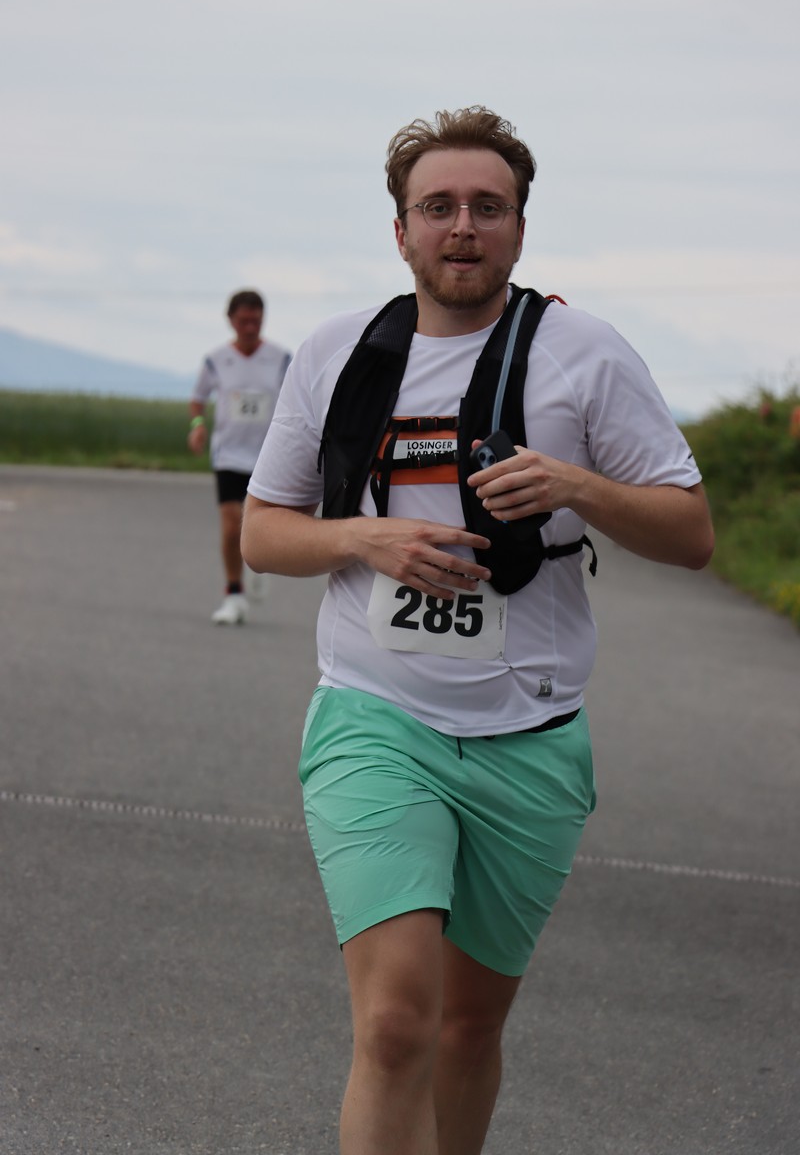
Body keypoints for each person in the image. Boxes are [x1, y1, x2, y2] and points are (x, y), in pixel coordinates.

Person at [241, 107, 715, 1154]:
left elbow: (690, 533)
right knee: (396, 1025)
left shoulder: (584, 355)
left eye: (487, 207)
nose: (462, 226)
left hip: (530, 734)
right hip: (376, 717)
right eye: (438, 207)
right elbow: (264, 533)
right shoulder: (337, 354)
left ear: (519, 228)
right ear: (401, 231)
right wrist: (364, 539)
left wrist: (576, 486)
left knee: (466, 1028)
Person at [188, 288, 291, 624]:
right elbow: (198, 399)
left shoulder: (281, 358)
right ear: (230, 320)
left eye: (256, 321)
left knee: (267, 526)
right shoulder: (216, 360)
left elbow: (297, 400)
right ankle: (234, 594)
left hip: (268, 456)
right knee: (233, 526)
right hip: (229, 455)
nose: (250, 327)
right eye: (244, 321)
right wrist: (198, 426)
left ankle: (260, 565)